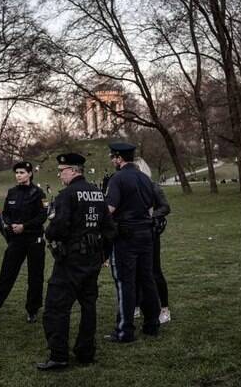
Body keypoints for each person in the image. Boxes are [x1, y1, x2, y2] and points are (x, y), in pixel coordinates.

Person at [37, 153, 116, 371]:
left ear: (73, 170)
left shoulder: (67, 195)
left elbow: (58, 227)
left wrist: (50, 235)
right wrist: (104, 255)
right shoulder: (98, 194)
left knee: (56, 308)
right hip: (92, 259)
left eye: (62, 170)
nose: (60, 174)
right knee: (88, 307)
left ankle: (59, 355)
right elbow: (109, 229)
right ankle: (85, 352)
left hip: (70, 260)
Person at [104, 142, 160, 343]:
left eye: (113, 157)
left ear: (119, 158)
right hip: (146, 232)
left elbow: (109, 208)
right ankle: (152, 324)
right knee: (147, 279)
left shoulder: (117, 178)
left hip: (125, 235)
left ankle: (124, 331)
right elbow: (153, 203)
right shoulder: (145, 178)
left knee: (125, 283)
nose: (112, 161)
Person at [0, 161, 47, 325]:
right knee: (6, 275)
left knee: (35, 277)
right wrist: (10, 226)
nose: (19, 175)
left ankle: (32, 310)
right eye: (17, 172)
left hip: (34, 239)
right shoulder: (11, 192)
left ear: (30, 174)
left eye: (22, 172)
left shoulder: (39, 193)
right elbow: (5, 214)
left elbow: (42, 216)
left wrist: (25, 226)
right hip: (16, 240)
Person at [134, 163, 172, 324]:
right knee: (134, 271)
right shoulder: (130, 187)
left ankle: (164, 309)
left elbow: (165, 207)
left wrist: (150, 216)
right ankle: (136, 305)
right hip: (133, 234)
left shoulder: (152, 186)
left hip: (150, 234)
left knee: (154, 271)